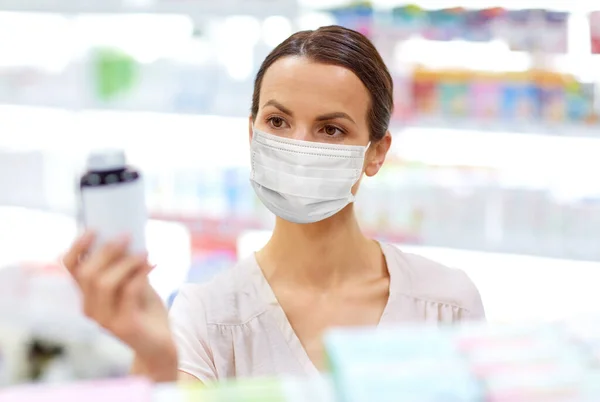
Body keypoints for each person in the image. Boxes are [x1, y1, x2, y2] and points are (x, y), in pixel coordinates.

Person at [62, 25, 485, 384]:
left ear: (376, 152)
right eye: (277, 122)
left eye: (331, 130)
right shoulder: (206, 316)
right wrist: (154, 359)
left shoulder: (446, 303)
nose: (298, 146)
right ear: (252, 133)